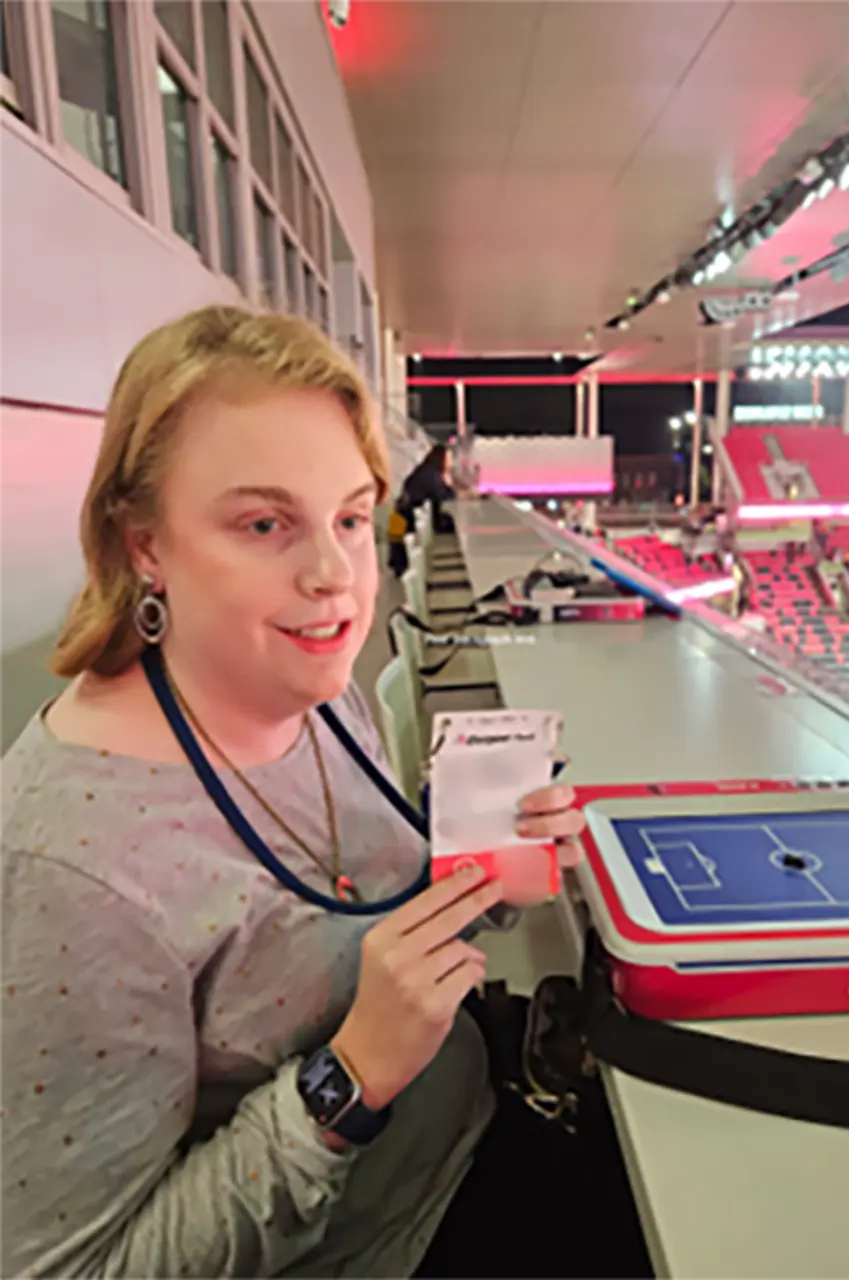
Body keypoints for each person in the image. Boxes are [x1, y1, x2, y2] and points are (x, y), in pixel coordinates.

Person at [0, 305, 584, 1279]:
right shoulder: (72, 870)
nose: (333, 576)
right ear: (143, 541)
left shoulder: (309, 684)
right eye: (265, 522)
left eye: (351, 516)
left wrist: (481, 856)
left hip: (469, 1131)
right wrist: (349, 1077)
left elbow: (348, 920)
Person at [387, 444, 459, 577]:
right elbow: (443, 496)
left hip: (406, 522)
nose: (451, 462)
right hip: (408, 525)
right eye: (449, 458)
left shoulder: (427, 471)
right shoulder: (431, 475)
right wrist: (449, 484)